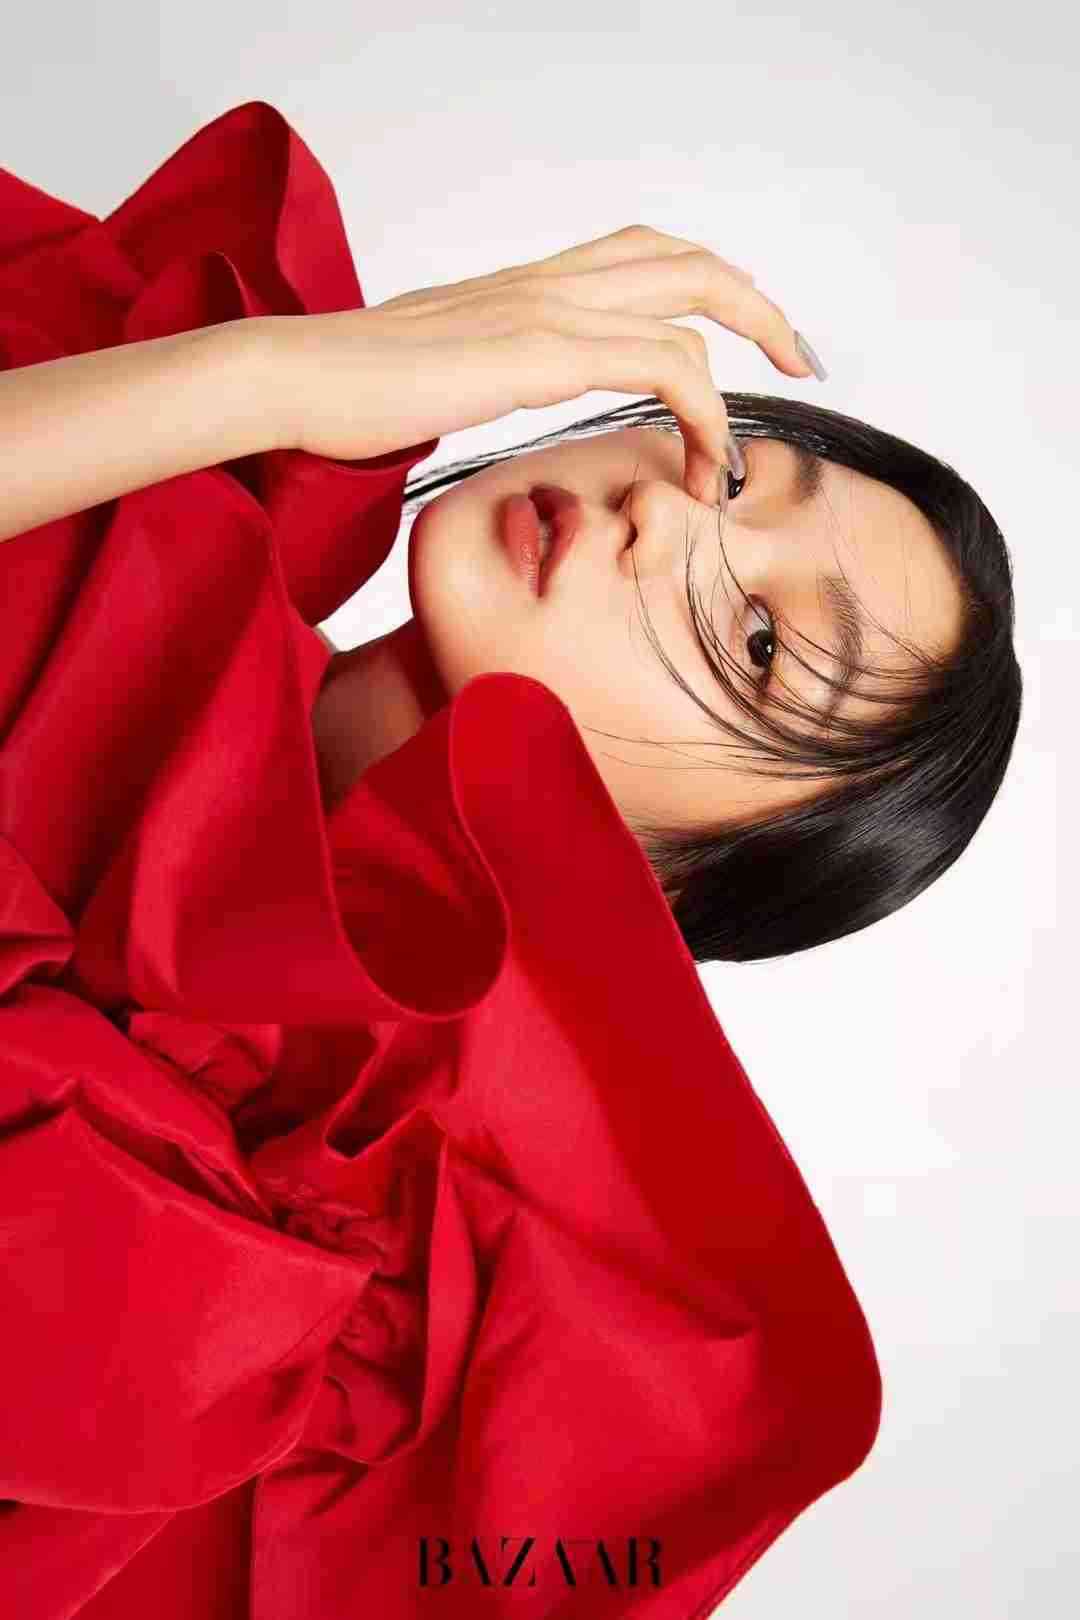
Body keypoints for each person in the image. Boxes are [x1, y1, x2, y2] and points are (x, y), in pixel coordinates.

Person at [0, 101, 1021, 1619]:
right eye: (739, 476)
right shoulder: (144, 411)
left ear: (672, 890)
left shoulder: (236, 1216)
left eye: (761, 645)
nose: (665, 514)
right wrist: (272, 377)